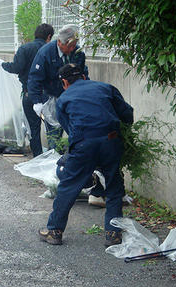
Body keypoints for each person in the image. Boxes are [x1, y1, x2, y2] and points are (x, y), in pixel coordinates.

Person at [38, 64, 134, 246]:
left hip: (83, 144)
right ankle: (113, 235)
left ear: (64, 82)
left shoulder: (64, 99)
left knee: (69, 186)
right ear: (83, 76)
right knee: (114, 186)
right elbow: (127, 114)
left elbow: (69, 129)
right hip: (111, 140)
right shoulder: (106, 88)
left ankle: (55, 231)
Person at [0, 24, 54, 157]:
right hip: (49, 95)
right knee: (52, 127)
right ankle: (54, 156)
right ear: (49, 37)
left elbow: (16, 67)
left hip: (29, 94)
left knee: (33, 128)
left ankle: (38, 157)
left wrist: (2, 64)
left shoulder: (25, 49)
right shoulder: (52, 50)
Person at [27, 24, 89, 151]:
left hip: (73, 98)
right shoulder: (45, 53)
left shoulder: (77, 53)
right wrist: (37, 101)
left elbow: (83, 74)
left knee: (77, 133)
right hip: (52, 97)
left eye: (74, 45)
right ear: (60, 42)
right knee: (55, 136)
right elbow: (34, 78)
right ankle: (55, 162)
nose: (72, 49)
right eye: (70, 46)